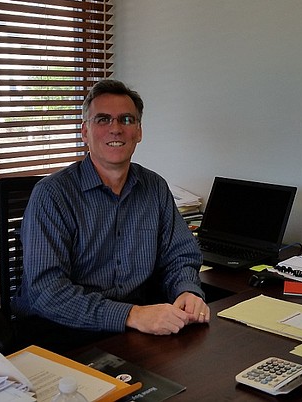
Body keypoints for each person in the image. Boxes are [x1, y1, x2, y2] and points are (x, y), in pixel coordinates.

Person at [12, 79, 209, 349]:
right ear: (85, 132)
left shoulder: (155, 188)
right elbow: (47, 292)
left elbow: (180, 255)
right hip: (61, 330)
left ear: (138, 131)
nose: (115, 129)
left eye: (126, 120)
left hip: (132, 330)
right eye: (102, 120)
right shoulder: (52, 195)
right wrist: (131, 315)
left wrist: (186, 289)